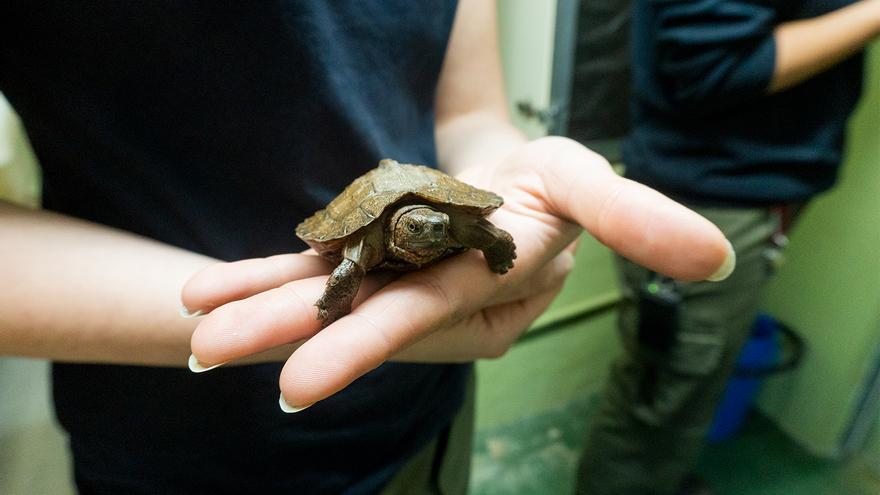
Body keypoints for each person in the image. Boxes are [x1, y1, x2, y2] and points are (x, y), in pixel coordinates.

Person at [0, 1, 733, 493]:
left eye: (430, 228)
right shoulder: (368, 242)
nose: (426, 232)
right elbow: (347, 263)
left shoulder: (448, 223)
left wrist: (505, 224)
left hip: (425, 412)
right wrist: (330, 307)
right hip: (179, 444)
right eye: (417, 228)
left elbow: (473, 117)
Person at [576, 1, 880, 494]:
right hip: (706, 204)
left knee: (683, 385)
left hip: (746, 192)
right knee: (662, 395)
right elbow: (710, 67)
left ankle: (660, 478)